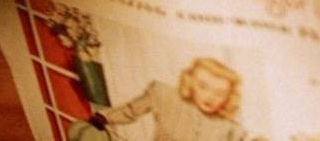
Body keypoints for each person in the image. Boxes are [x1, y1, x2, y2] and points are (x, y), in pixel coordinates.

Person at [89, 57, 248, 141]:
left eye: (220, 93)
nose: (210, 97)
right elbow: (130, 110)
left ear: (229, 97)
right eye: (203, 86)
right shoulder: (164, 95)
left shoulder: (230, 129)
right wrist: (105, 117)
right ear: (190, 81)